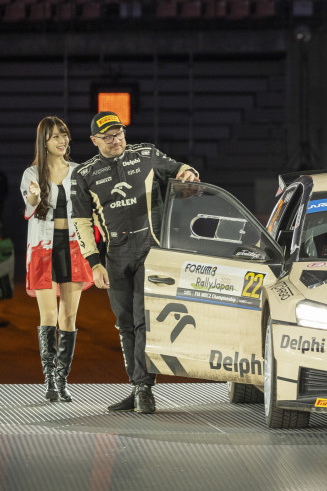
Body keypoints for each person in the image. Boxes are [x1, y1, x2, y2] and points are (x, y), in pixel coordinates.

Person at [71, 112, 200, 414]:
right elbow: (80, 221)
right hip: (115, 256)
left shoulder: (147, 155)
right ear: (94, 141)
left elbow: (180, 168)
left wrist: (188, 172)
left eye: (119, 134)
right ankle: (137, 386)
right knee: (124, 322)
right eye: (107, 137)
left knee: (143, 319)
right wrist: (94, 263)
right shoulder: (84, 174)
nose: (115, 141)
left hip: (149, 252)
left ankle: (144, 390)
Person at [20, 117, 94, 402]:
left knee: (70, 316)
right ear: (44, 143)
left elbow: (89, 210)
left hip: (74, 249)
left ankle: (62, 379)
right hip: (43, 249)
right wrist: (35, 197)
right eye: (55, 137)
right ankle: (50, 379)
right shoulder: (31, 174)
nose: (62, 141)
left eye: (64, 135)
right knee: (49, 315)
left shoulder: (79, 172)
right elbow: (29, 208)